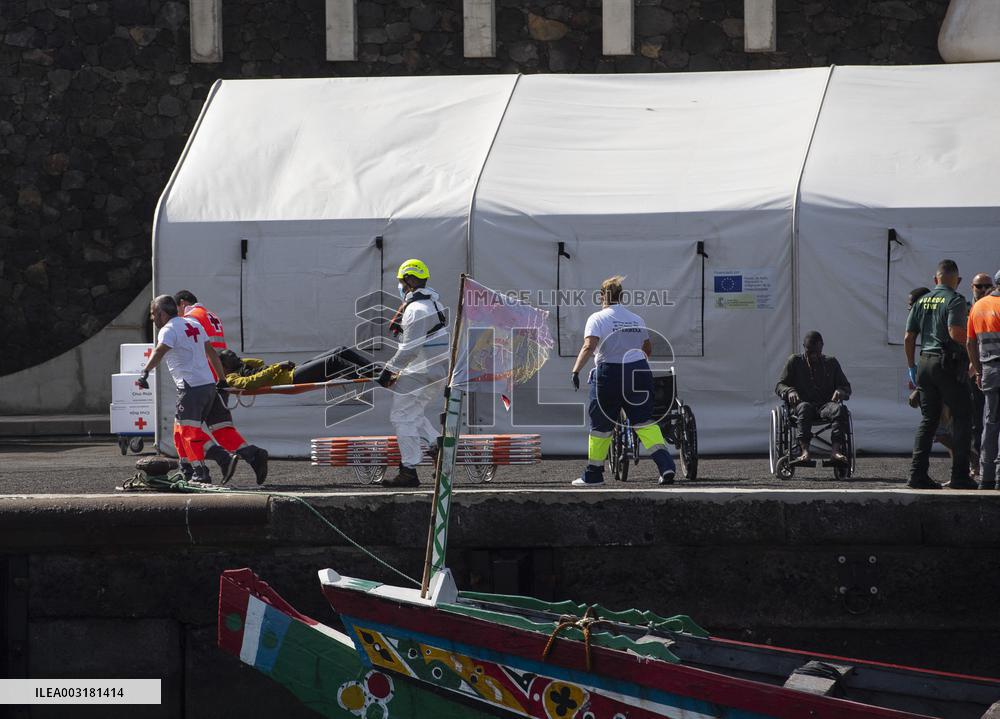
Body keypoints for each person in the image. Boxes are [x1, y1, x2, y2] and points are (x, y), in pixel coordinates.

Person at [137, 295, 267, 485]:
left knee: (187, 431)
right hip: (210, 385)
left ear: (162, 314)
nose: (152, 319)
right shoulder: (194, 324)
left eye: (153, 314)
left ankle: (204, 469)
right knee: (217, 429)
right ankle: (252, 454)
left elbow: (158, 352)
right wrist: (221, 380)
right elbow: (212, 353)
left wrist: (145, 373)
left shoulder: (168, 330)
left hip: (190, 388)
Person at [570, 275, 676, 487]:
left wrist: (576, 371)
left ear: (601, 296)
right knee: (643, 421)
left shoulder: (597, 318)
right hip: (639, 373)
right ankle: (666, 466)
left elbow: (589, 346)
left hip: (609, 374)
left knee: (601, 426)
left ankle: (594, 474)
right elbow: (647, 349)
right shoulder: (636, 319)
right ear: (622, 296)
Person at [374, 259, 449, 488]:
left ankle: (408, 471)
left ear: (409, 281)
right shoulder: (435, 305)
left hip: (420, 371)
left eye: (400, 281)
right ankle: (437, 445)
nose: (399, 286)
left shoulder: (415, 310)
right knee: (413, 414)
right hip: (436, 372)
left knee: (401, 417)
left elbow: (410, 348)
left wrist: (389, 370)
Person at [904, 259, 973, 490]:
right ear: (958, 280)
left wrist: (911, 366)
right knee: (963, 416)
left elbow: (909, 337)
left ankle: (917, 475)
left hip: (924, 362)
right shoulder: (956, 300)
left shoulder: (921, 300)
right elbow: (955, 333)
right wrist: (973, 347)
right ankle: (960, 475)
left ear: (936, 279)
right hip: (947, 364)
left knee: (928, 420)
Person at [775, 331, 852, 465]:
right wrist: (789, 391)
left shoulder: (831, 363)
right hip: (801, 406)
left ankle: (835, 451)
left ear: (822, 347)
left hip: (825, 406)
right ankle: (804, 452)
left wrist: (840, 391)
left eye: (816, 352)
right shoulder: (795, 361)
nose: (813, 355)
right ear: (804, 348)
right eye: (809, 352)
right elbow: (779, 385)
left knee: (839, 410)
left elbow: (846, 387)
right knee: (805, 408)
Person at [967, 269, 1000, 489]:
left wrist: (978, 370)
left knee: (989, 422)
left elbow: (970, 343)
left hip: (988, 370)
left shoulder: (978, 307)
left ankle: (986, 475)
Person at [218, 348, 378, 390]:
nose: (237, 357)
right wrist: (277, 367)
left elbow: (259, 362)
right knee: (333, 360)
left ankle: (373, 369)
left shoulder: (244, 365)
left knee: (340, 350)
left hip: (292, 372)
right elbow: (253, 382)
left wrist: (240, 360)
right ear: (224, 366)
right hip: (291, 378)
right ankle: (373, 375)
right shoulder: (232, 377)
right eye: (232, 356)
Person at [969, 273, 994, 462]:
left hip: (986, 369)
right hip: (973, 371)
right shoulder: (968, 309)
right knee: (975, 420)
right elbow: (966, 342)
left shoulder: (990, 307)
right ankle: (976, 462)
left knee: (988, 419)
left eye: (987, 285)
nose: (984, 289)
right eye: (979, 286)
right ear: (972, 287)